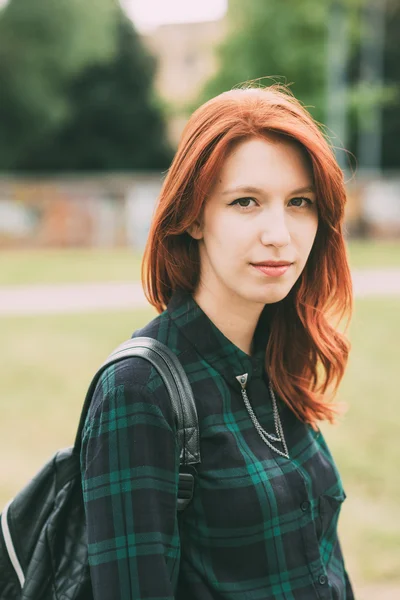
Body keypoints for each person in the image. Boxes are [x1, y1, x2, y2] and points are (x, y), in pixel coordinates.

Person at [80, 84, 355, 599]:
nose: (280, 233)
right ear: (193, 217)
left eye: (300, 202)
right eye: (246, 202)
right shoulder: (139, 391)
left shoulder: (277, 355)